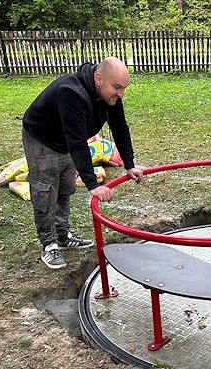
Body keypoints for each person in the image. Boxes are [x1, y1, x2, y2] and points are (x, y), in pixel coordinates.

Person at [22, 57, 144, 269]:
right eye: (117, 87)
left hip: (67, 142)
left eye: (124, 88)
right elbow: (78, 142)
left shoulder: (109, 96)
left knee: (66, 188)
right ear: (98, 78)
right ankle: (49, 244)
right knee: (45, 191)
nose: (121, 94)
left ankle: (62, 235)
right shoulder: (71, 94)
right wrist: (93, 185)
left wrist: (129, 163)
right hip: (43, 140)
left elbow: (120, 127)